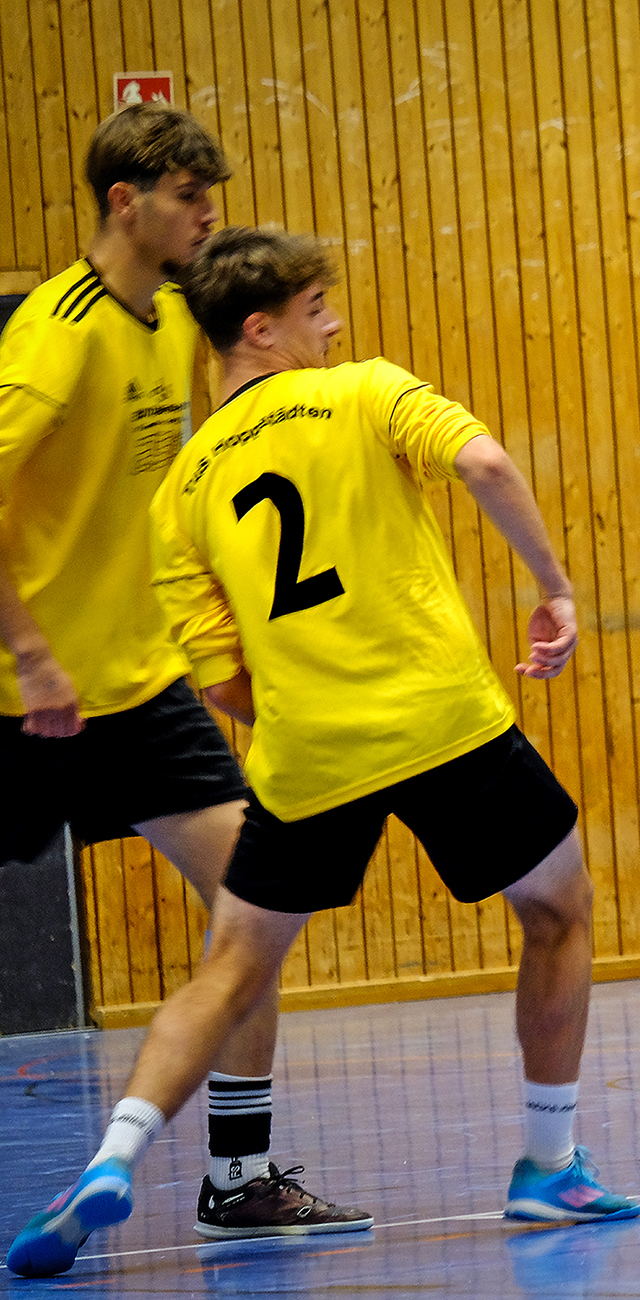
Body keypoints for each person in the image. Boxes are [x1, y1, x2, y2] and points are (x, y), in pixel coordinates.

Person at [6, 227, 638, 1279]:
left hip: (305, 748)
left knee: (232, 965)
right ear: (260, 328)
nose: (334, 325)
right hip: (442, 719)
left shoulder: (183, 488)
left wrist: (313, 706)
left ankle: (112, 1157)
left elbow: (221, 684)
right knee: (559, 906)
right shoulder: (363, 391)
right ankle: (548, 1166)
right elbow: (482, 460)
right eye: (315, 309)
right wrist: (554, 588)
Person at [0, 103, 368, 1239]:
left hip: (141, 686)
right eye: (190, 198)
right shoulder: (55, 336)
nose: (208, 217)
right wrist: (30, 651)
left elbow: (183, 497)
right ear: (127, 202)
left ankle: (238, 1177)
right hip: (23, 698)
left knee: (254, 912)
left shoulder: (169, 321)